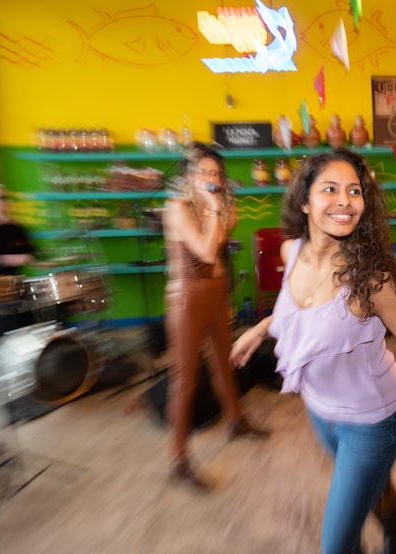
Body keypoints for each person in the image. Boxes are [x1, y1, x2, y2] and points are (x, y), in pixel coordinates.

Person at [229, 149, 396, 554]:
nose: (345, 200)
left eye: (354, 191)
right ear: (304, 201)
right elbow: (301, 311)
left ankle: (391, 528)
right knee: (372, 487)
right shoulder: (291, 252)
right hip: (319, 411)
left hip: (372, 422)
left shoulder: (373, 278)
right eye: (330, 189)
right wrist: (261, 329)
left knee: (337, 543)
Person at [163, 142, 268, 491]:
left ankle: (236, 421)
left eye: (216, 174)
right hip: (187, 301)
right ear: (191, 176)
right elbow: (207, 253)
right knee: (186, 382)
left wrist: (222, 211)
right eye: (204, 172)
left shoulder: (213, 208)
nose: (211, 178)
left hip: (214, 295)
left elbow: (221, 240)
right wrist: (212, 208)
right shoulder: (177, 207)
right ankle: (179, 460)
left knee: (225, 365)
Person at [0, 186, 35, 275]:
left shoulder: (17, 228)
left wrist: (30, 258)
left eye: (2, 198)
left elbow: (31, 252)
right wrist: (4, 259)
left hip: (17, 279)